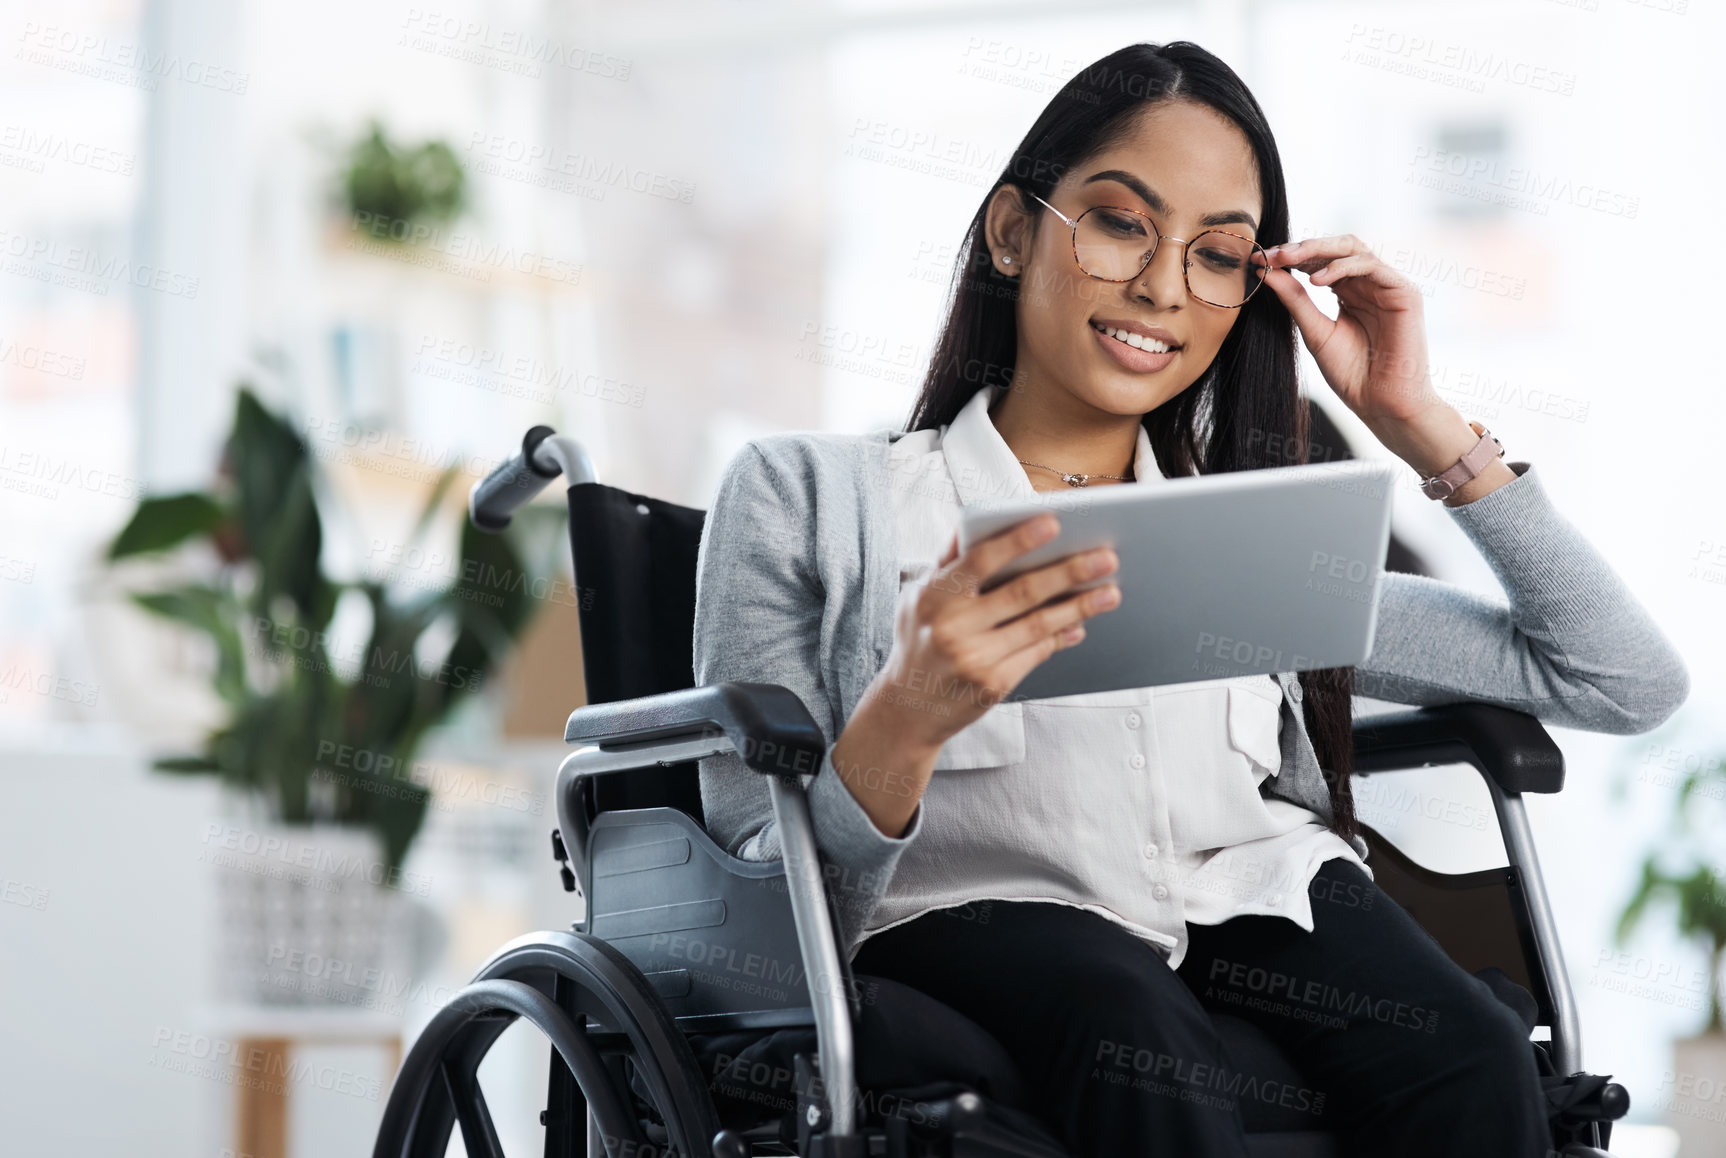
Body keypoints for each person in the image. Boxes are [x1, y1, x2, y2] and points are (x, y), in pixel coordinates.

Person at [691, 40, 1689, 1157]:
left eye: (1216, 254)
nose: (1164, 287)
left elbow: (1618, 678)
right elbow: (748, 902)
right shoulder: (815, 498)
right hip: (960, 911)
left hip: (1246, 895)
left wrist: (1416, 422)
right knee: (1127, 1018)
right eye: (1120, 224)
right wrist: (907, 715)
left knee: (1465, 1044)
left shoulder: (1248, 541)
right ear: (1014, 233)